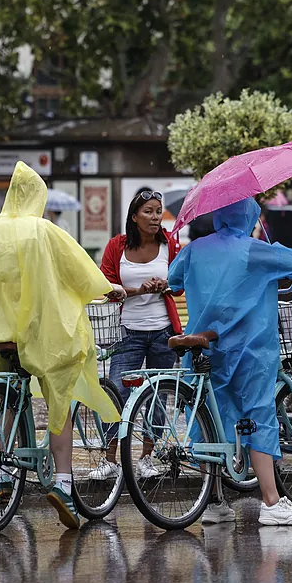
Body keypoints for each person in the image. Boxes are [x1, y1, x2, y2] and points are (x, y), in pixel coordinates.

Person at [0, 161, 121, 530]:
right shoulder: (43, 230)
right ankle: (63, 483)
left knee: (10, 397)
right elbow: (80, 271)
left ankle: (4, 474)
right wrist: (111, 289)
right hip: (37, 333)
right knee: (60, 396)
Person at [167, 197, 292, 526]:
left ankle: (215, 501)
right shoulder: (253, 250)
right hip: (250, 348)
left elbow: (173, 280)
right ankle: (272, 503)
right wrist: (269, 243)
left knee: (212, 421)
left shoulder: (194, 250)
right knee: (258, 415)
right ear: (248, 216)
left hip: (205, 348)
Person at [90, 189, 183, 480]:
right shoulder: (117, 246)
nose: (156, 217)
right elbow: (104, 288)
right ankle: (110, 459)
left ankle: (146, 458)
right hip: (128, 332)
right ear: (134, 216)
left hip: (163, 332)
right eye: (149, 211)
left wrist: (164, 285)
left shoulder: (169, 244)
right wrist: (136, 290)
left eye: (158, 211)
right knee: (117, 391)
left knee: (158, 396)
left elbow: (180, 284)